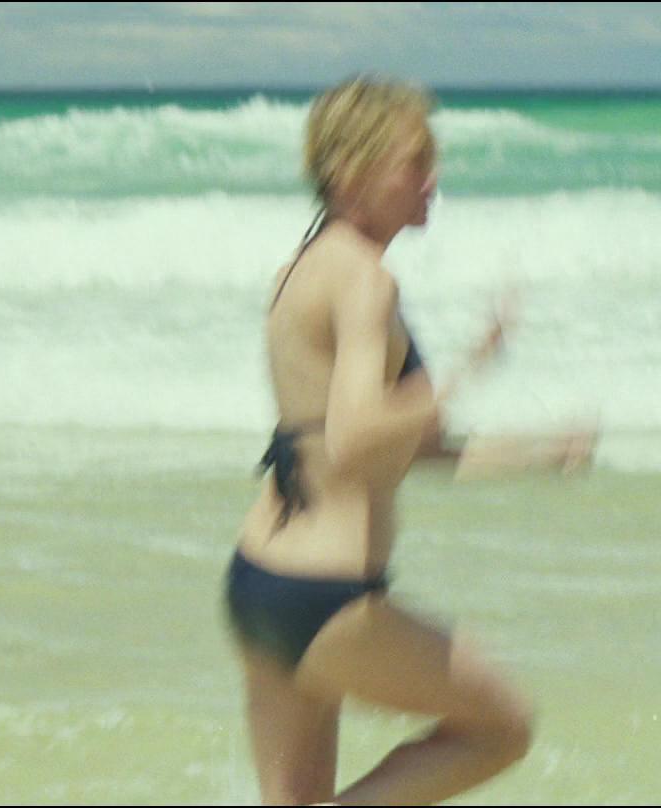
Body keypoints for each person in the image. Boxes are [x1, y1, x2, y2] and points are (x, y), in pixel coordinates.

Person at [222, 76, 537, 805]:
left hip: (259, 585)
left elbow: (379, 446)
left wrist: (538, 453)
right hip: (326, 599)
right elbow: (358, 437)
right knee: (504, 727)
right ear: (350, 172)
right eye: (413, 162)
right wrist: (462, 374)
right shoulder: (366, 281)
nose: (432, 180)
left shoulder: (300, 271)